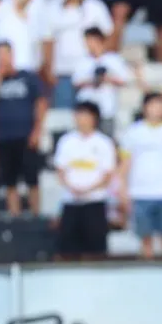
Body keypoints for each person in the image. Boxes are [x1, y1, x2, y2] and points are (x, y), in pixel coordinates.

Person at [117, 92, 162, 258]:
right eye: (153, 105)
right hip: (140, 193)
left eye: (160, 105)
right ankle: (148, 270)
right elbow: (124, 166)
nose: (157, 109)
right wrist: (122, 191)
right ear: (144, 108)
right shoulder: (132, 133)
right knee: (145, 237)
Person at [0, 41, 47, 216]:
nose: (3, 59)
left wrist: (37, 130)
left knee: (32, 179)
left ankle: (35, 214)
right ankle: (14, 216)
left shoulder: (28, 77)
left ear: (12, 55)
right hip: (4, 137)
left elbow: (40, 103)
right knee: (10, 180)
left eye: (5, 54)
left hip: (26, 135)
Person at [54, 101, 116, 259]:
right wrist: (72, 188)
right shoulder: (66, 141)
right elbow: (60, 170)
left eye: (86, 115)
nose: (81, 119)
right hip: (71, 201)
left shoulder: (104, 143)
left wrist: (87, 190)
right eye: (79, 114)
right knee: (68, 249)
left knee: (96, 250)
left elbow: (108, 175)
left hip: (95, 201)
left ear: (94, 118)